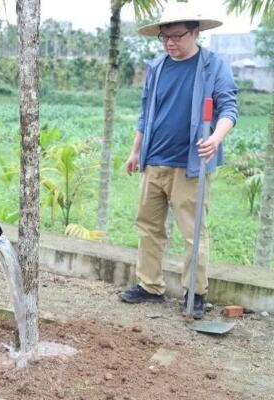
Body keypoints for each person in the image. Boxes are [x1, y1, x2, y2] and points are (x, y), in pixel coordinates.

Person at [119, 2, 238, 319]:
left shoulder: (213, 66)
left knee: (193, 232)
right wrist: (135, 150)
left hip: (191, 165)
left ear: (196, 32)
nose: (170, 42)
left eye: (177, 36)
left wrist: (215, 138)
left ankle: (195, 293)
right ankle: (149, 285)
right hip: (154, 160)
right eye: (164, 37)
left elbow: (229, 109)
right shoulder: (157, 68)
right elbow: (146, 112)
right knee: (148, 227)